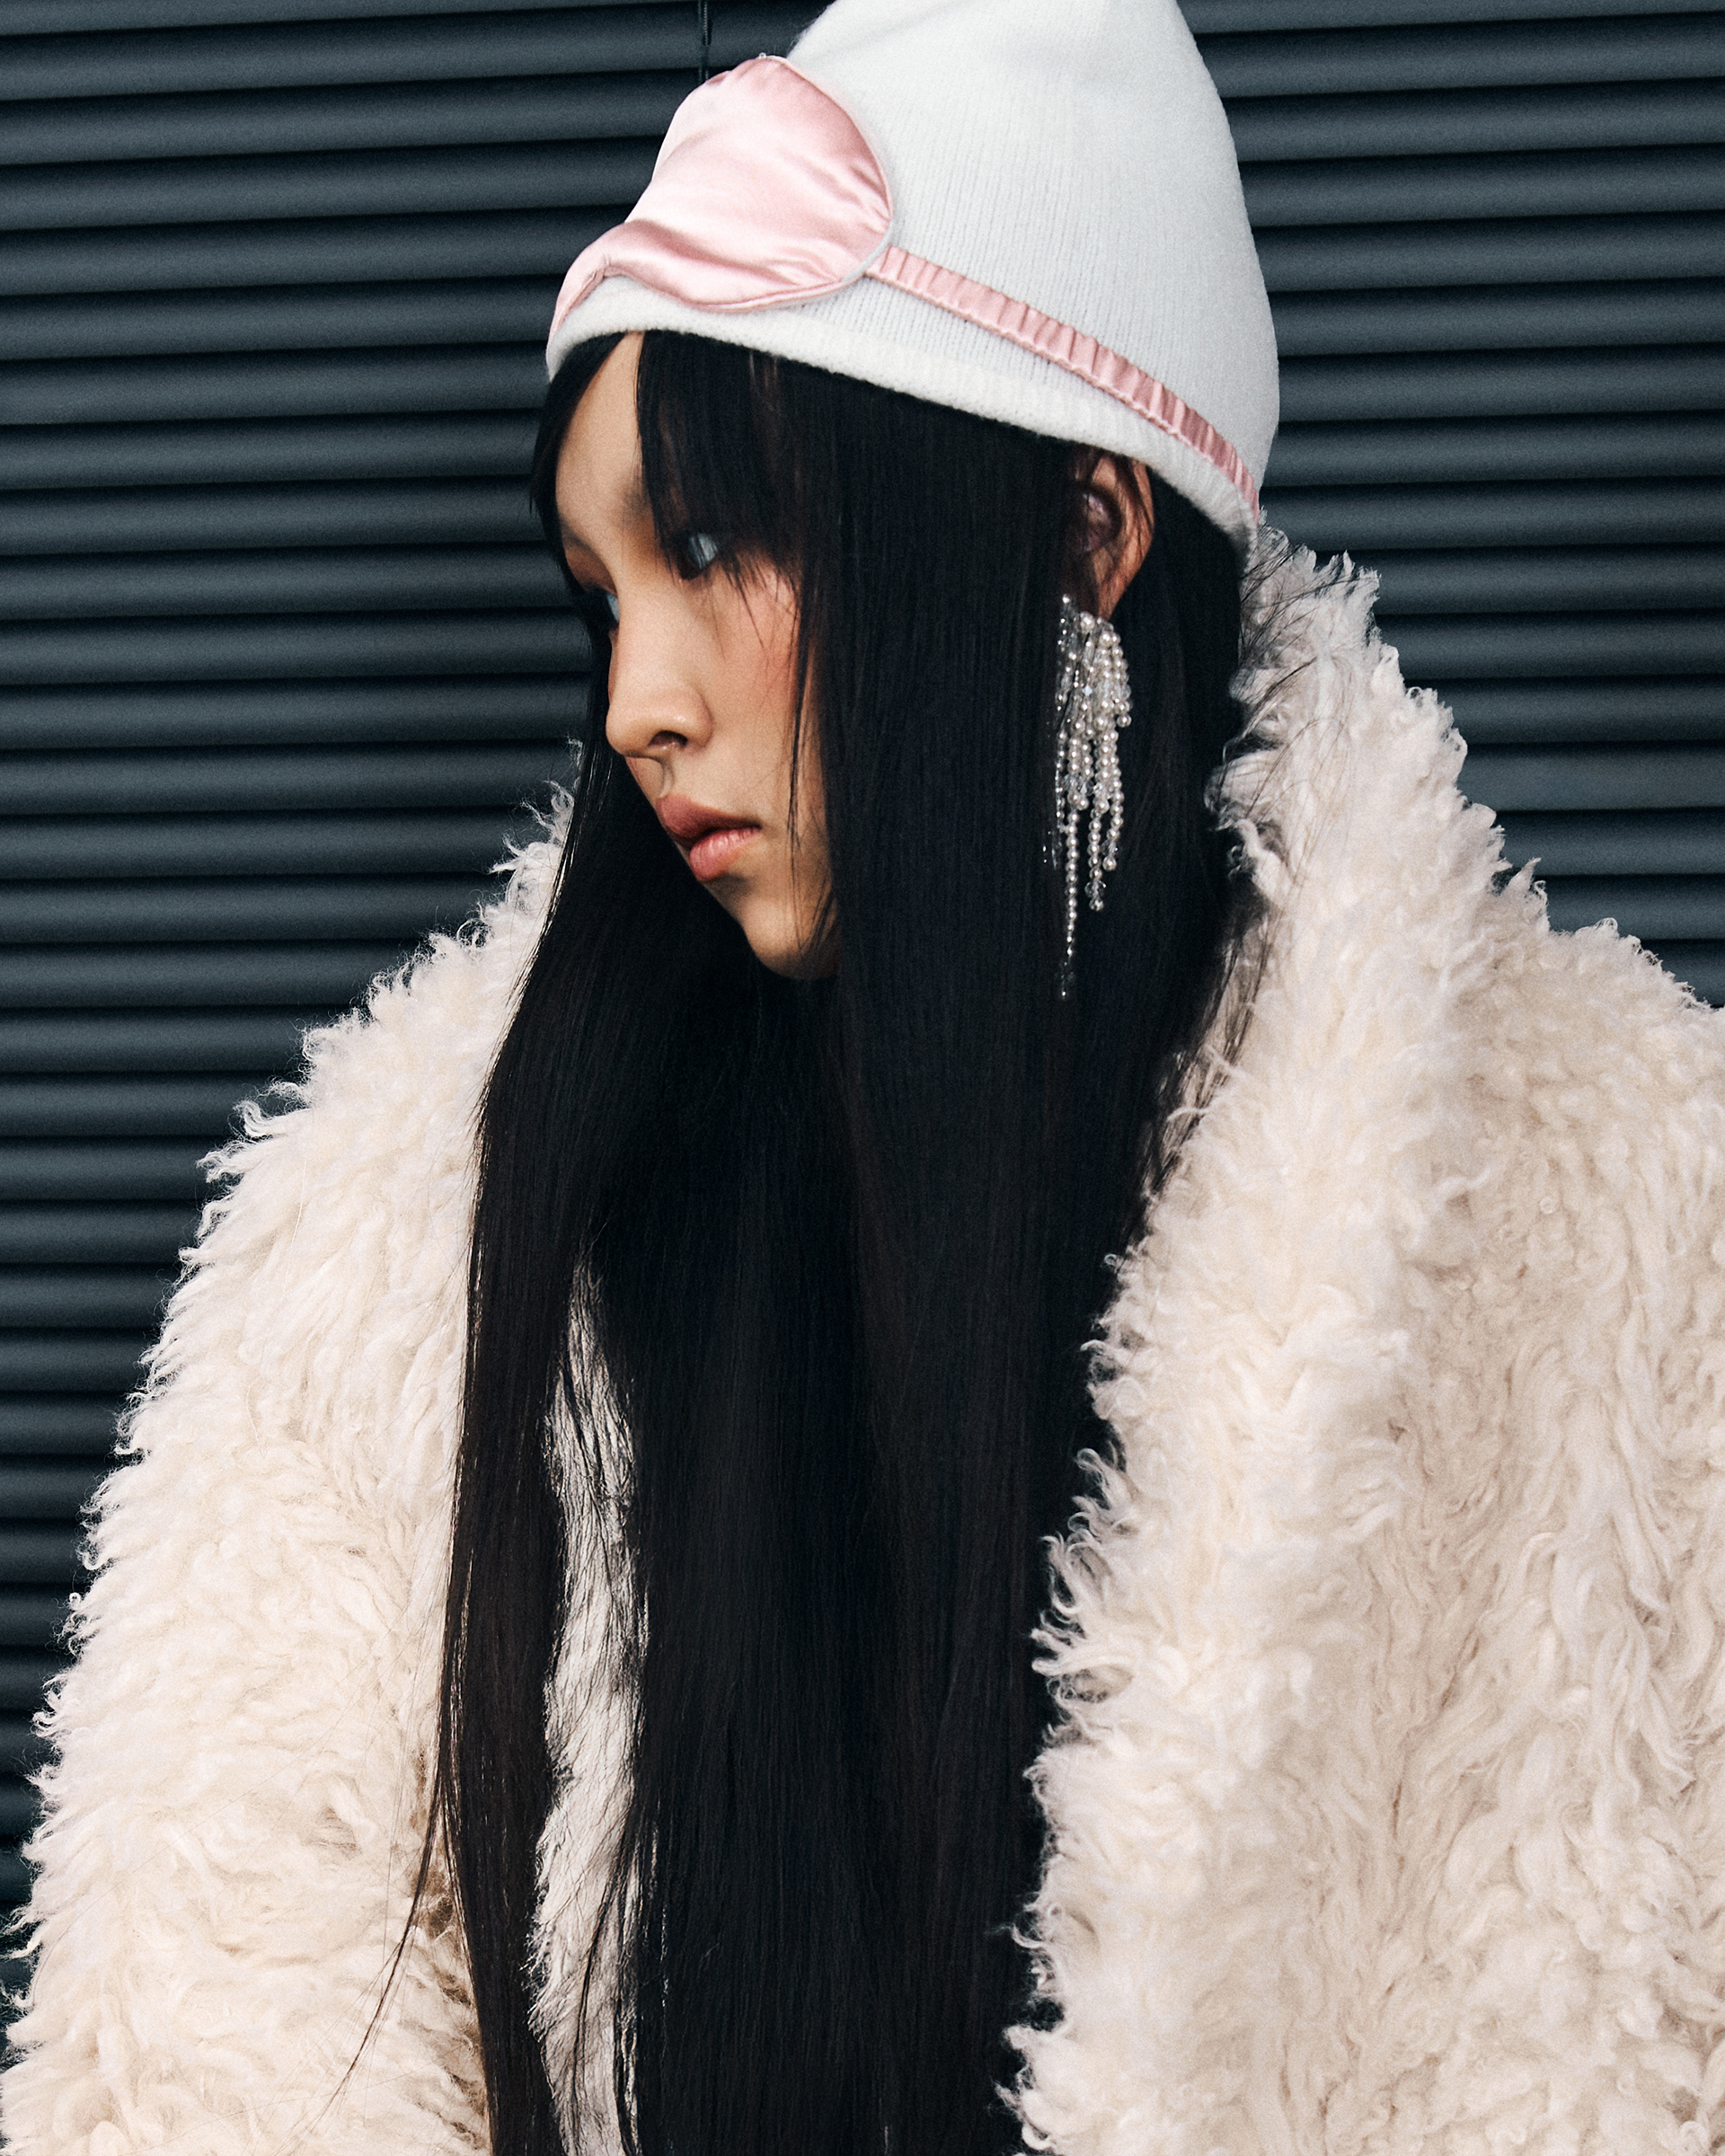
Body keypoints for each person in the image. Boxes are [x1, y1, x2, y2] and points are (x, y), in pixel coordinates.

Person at [6, 1, 1724, 2151]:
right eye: (602, 593)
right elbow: (201, 2062)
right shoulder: (406, 1257)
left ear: (1085, 532)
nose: (636, 700)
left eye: (714, 544)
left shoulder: (1636, 1233)